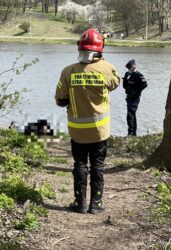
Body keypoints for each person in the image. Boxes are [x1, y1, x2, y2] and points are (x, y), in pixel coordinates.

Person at [55, 29, 120, 214]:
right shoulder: (107, 68)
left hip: (77, 131)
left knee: (80, 164)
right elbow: (116, 83)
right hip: (100, 130)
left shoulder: (68, 71)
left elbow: (60, 100)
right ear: (100, 50)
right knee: (98, 165)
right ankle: (96, 204)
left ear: (79, 48)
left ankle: (80, 203)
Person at [122, 59, 148, 136]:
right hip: (129, 97)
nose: (129, 70)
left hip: (135, 98)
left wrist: (135, 92)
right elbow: (125, 86)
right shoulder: (128, 74)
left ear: (133, 67)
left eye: (129, 68)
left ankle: (131, 133)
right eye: (128, 68)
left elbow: (145, 84)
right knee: (132, 115)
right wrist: (125, 79)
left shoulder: (138, 74)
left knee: (130, 115)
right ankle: (133, 133)